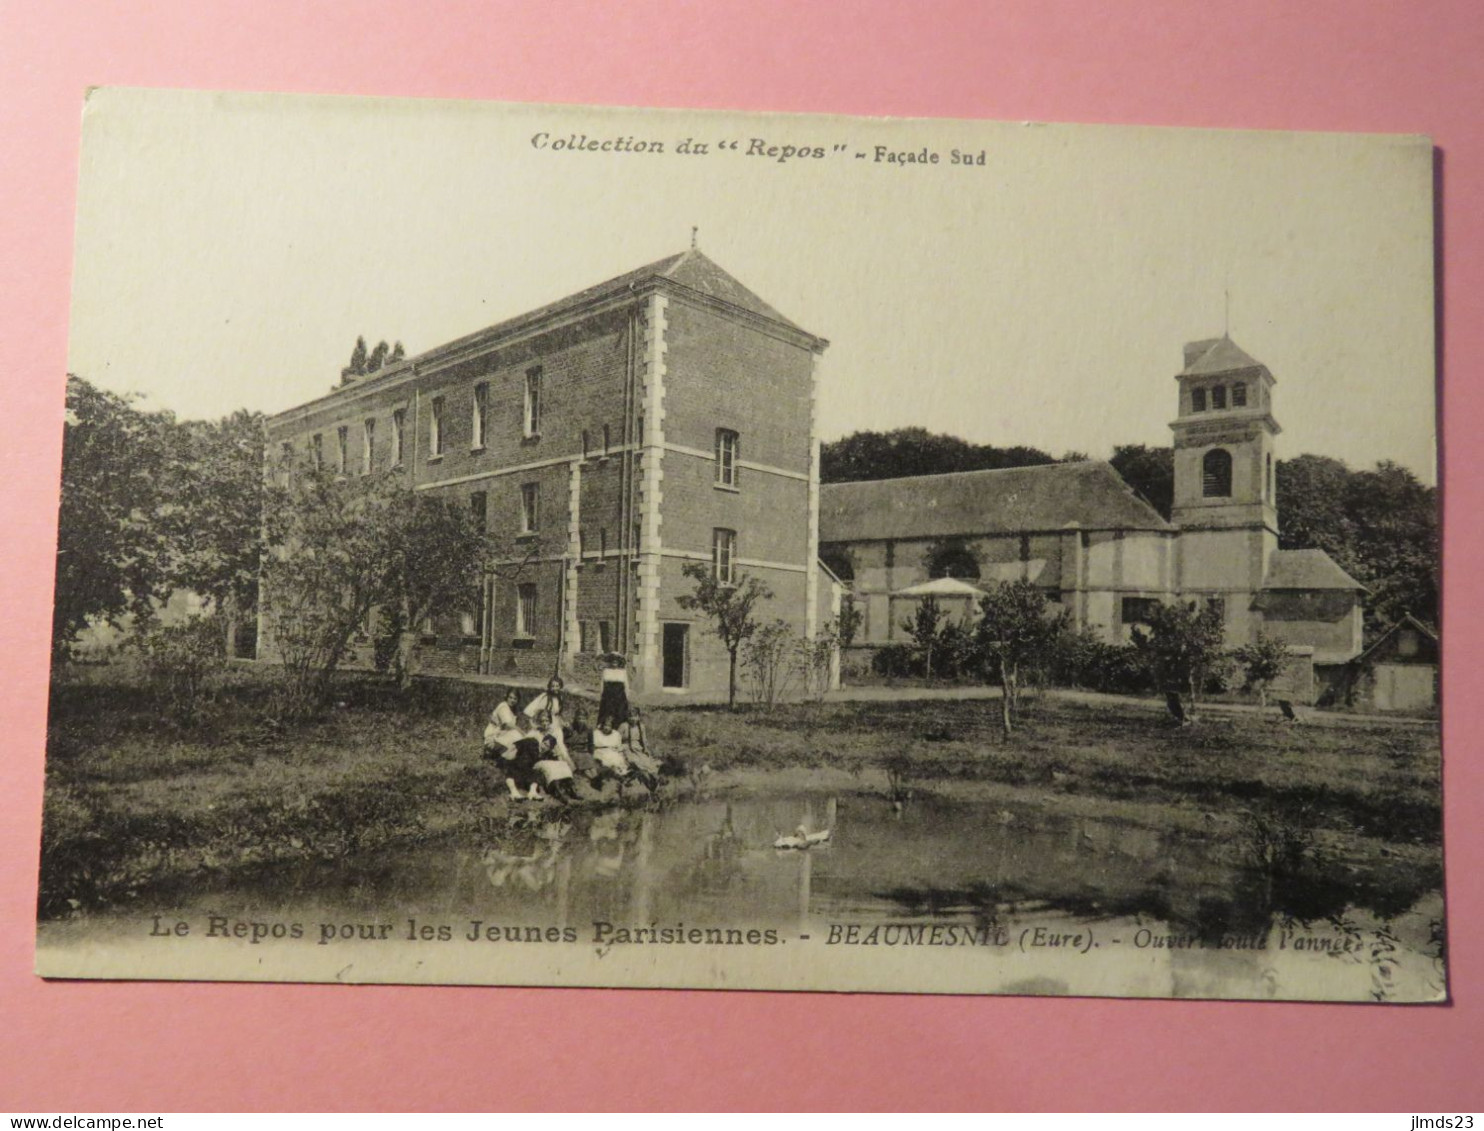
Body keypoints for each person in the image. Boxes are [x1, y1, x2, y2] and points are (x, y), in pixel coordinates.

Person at [523, 678, 569, 761]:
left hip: (555, 724)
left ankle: (562, 761)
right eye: (553, 686)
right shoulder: (545, 698)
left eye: (557, 686)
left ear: (560, 687)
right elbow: (536, 713)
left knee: (559, 743)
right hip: (545, 723)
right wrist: (536, 726)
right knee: (542, 741)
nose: (555, 688)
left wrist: (563, 722)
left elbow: (558, 714)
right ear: (549, 687)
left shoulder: (560, 697)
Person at [622, 707, 661, 791]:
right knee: (635, 761)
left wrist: (646, 749)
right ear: (627, 717)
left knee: (647, 761)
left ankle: (655, 779)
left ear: (638, 717)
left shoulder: (641, 726)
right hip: (626, 747)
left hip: (638, 747)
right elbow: (617, 738)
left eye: (635, 716)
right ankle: (646, 779)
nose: (633, 719)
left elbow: (644, 740)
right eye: (630, 717)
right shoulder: (624, 726)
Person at [534, 735, 580, 802]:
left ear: (550, 748)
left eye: (547, 746)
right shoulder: (534, 749)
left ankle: (572, 791)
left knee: (563, 764)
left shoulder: (548, 753)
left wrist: (557, 756)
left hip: (544, 766)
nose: (543, 746)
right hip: (535, 767)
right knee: (551, 770)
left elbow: (556, 762)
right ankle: (560, 794)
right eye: (544, 743)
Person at [482, 688, 523, 761]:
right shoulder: (503, 707)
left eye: (515, 699)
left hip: (502, 735)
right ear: (506, 697)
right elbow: (509, 725)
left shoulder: (513, 709)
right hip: (493, 736)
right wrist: (523, 733)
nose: (512, 700)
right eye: (510, 697)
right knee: (517, 737)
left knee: (518, 742)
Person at [597, 652, 630, 727]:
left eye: (616, 662)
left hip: (620, 697)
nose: (614, 663)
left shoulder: (623, 672)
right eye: (613, 661)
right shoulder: (606, 671)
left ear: (618, 662)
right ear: (610, 662)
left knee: (620, 713)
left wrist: (627, 697)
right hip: (608, 696)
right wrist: (601, 695)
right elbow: (602, 684)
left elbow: (626, 685)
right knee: (607, 713)